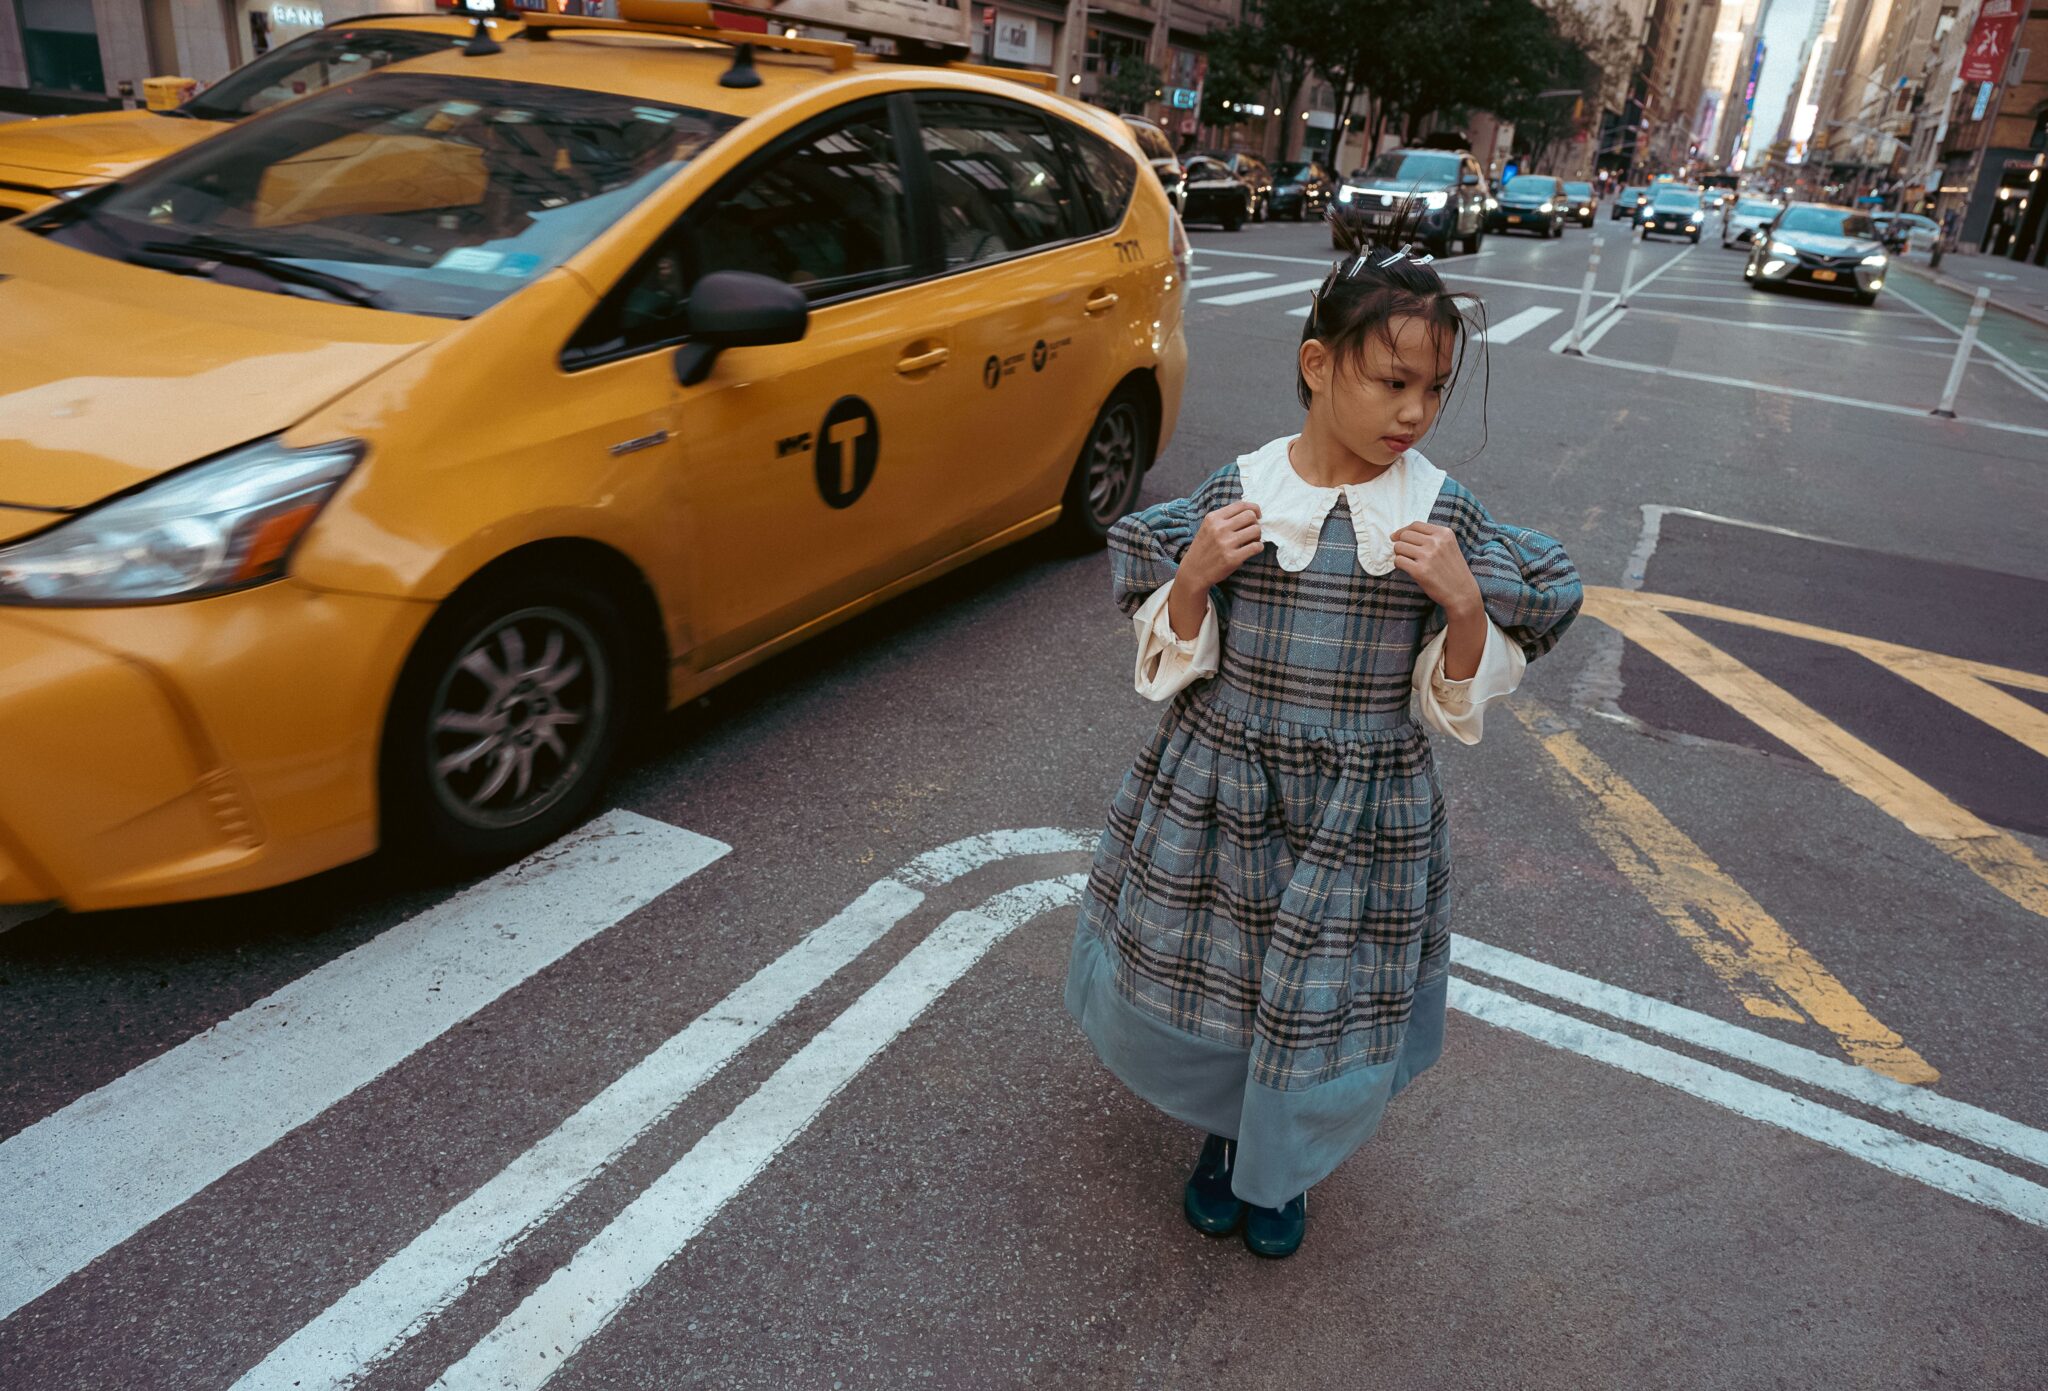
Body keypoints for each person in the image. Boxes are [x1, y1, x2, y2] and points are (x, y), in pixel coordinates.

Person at [1063, 212, 1583, 1260]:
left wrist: (1465, 601)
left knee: (1317, 1001)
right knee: (1230, 974)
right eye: (1390, 380)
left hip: (1361, 808)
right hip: (1219, 788)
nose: (1413, 410)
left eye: (1431, 388)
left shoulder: (1441, 514)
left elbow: (1456, 703)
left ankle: (1281, 1167)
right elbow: (1170, 660)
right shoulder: (1238, 494)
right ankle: (1226, 1137)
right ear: (1316, 363)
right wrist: (1194, 577)